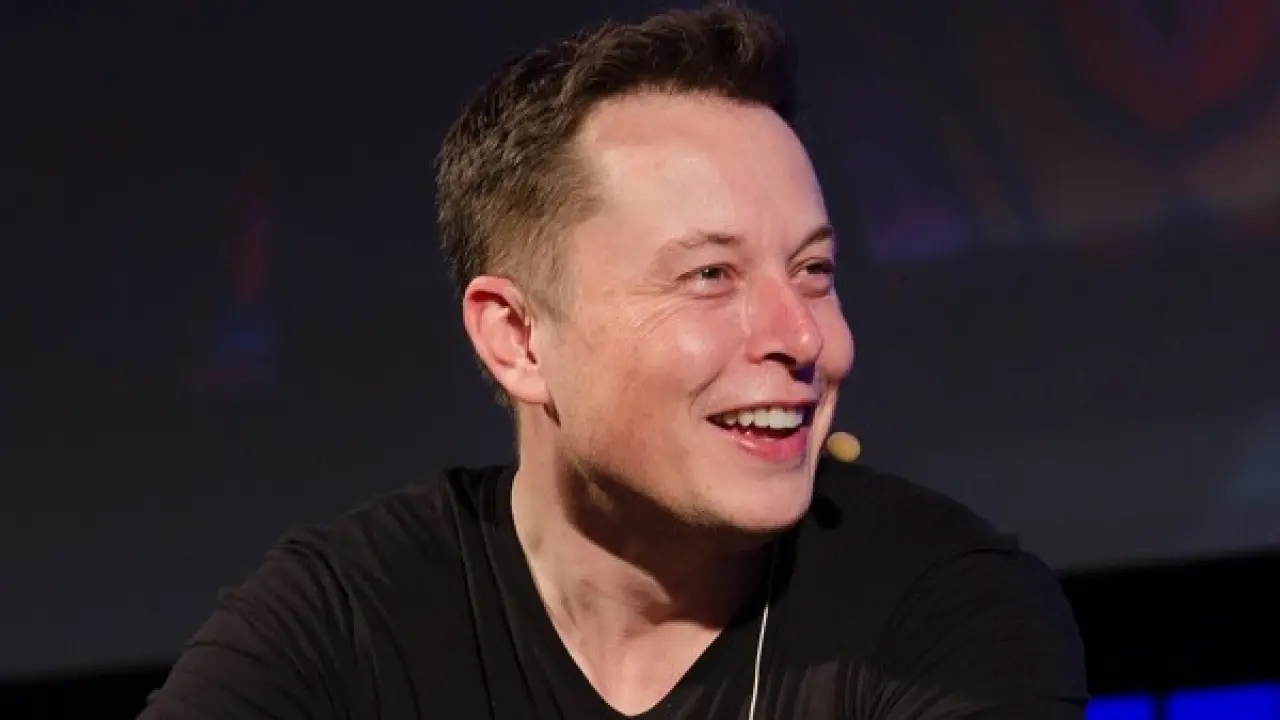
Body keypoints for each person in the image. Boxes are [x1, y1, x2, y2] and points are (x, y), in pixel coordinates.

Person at [140, 5, 1088, 718]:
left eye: (813, 272)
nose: (805, 339)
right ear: (517, 338)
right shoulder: (346, 620)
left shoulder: (947, 610)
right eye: (710, 275)